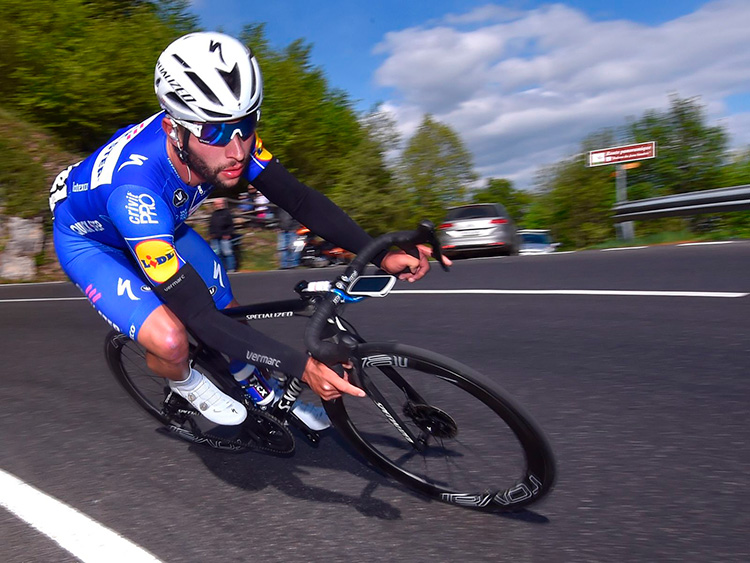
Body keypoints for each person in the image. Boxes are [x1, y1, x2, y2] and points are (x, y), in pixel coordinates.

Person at [49, 31, 441, 431]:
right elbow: (198, 315)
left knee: (227, 305)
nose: (236, 150)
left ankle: (261, 392)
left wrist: (380, 252)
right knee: (172, 339)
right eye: (215, 132)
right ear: (174, 130)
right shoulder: (136, 192)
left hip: (162, 223)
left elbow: (300, 200)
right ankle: (185, 382)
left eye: (245, 124)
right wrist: (300, 367)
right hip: (94, 242)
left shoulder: (226, 141)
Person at [208, 197, 236, 272]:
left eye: (220, 203)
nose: (219, 205)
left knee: (227, 253)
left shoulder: (227, 213)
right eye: (217, 204)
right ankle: (221, 270)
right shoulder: (214, 214)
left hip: (225, 236)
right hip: (215, 237)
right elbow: (211, 225)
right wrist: (211, 234)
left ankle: (231, 269)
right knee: (217, 254)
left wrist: (228, 234)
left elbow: (231, 225)